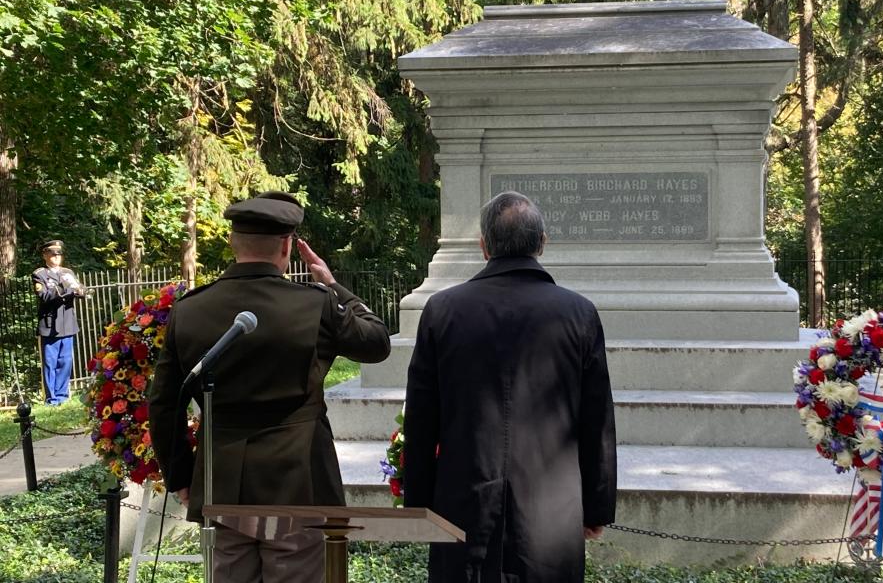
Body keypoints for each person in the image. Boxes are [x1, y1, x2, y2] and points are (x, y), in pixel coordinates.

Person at [148, 191, 391, 583]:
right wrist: (332, 285)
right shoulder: (315, 304)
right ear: (287, 245)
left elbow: (163, 403)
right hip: (299, 480)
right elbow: (377, 343)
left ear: (232, 241)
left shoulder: (190, 309)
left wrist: (180, 477)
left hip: (223, 482)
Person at [404, 191, 618, 583]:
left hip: (464, 502)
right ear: (542, 244)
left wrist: (419, 504)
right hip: (550, 511)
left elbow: (422, 418)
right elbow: (596, 420)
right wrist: (596, 507)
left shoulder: (443, 310)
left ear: (484, 246)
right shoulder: (579, 313)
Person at [32, 239, 86, 406]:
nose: (56, 257)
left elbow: (81, 291)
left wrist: (79, 289)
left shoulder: (67, 272)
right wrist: (67, 289)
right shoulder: (39, 274)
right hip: (50, 326)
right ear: (45, 255)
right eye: (52, 254)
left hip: (67, 323)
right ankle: (52, 398)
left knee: (65, 361)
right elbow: (45, 297)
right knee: (50, 362)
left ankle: (62, 395)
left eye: (58, 254)